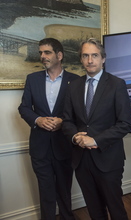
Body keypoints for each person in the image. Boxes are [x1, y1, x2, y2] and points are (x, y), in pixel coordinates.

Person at [62, 38, 131, 220]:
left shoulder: (117, 84)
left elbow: (125, 123)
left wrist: (96, 140)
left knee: (116, 209)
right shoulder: (73, 86)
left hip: (108, 159)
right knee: (94, 210)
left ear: (103, 59)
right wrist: (74, 136)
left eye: (94, 55)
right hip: (81, 160)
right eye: (85, 56)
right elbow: (67, 120)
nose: (90, 60)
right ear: (81, 59)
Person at [18, 38, 79, 220]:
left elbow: (80, 113)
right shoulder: (32, 79)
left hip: (64, 146)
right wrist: (38, 119)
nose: (42, 56)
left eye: (47, 52)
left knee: (64, 190)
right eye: (41, 53)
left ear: (59, 55)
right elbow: (24, 108)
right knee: (46, 191)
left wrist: (64, 121)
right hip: (40, 146)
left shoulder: (75, 81)